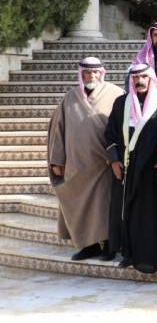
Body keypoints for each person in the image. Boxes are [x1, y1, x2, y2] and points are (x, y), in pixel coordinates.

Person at [47, 57, 124, 261]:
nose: (92, 76)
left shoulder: (116, 94)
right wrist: (57, 160)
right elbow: (58, 130)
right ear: (81, 74)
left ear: (102, 73)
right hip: (77, 164)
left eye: (95, 72)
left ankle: (109, 245)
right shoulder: (70, 97)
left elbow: (123, 127)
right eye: (87, 73)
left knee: (105, 206)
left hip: (105, 164)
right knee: (80, 206)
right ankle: (89, 246)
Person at [104, 64, 157, 273]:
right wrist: (114, 161)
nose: (140, 81)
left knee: (153, 213)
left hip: (154, 170)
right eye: (136, 77)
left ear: (151, 78)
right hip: (127, 167)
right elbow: (110, 133)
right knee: (129, 211)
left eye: (144, 77)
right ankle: (129, 253)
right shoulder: (121, 103)